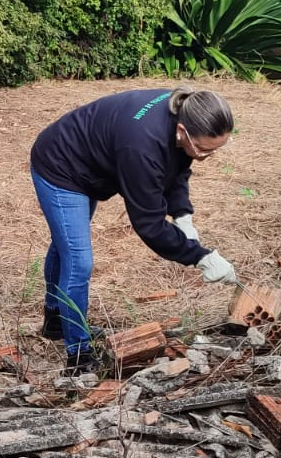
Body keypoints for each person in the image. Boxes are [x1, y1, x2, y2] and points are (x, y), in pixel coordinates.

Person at [30, 87, 238, 375]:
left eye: (214, 150)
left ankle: (55, 319)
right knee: (78, 262)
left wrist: (182, 215)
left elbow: (178, 167)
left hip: (90, 163)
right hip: (61, 165)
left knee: (66, 244)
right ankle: (78, 355)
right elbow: (149, 225)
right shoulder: (141, 145)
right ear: (181, 131)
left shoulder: (187, 111)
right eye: (203, 149)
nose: (205, 156)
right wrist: (199, 256)